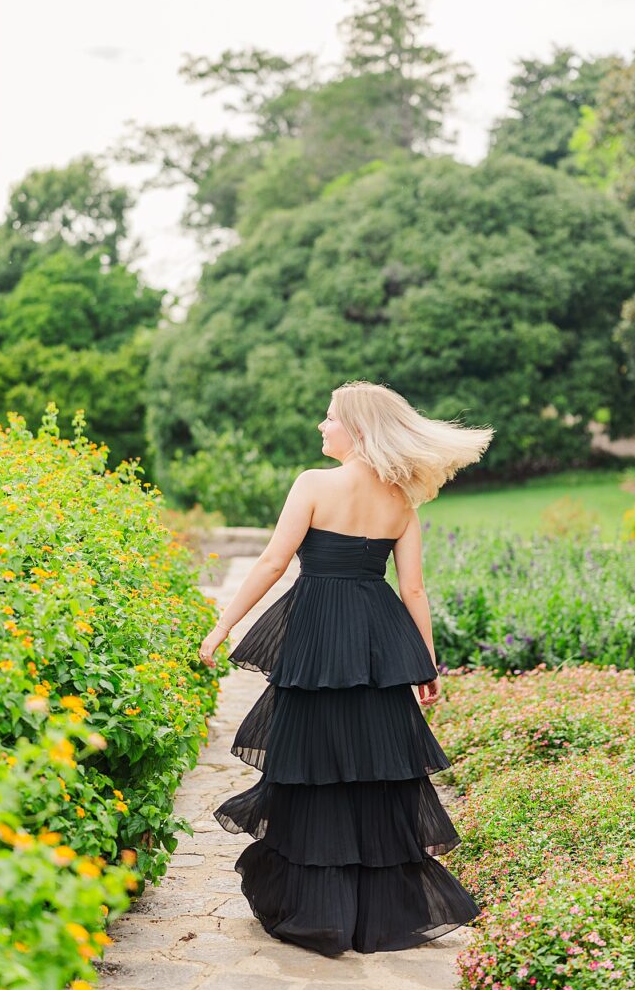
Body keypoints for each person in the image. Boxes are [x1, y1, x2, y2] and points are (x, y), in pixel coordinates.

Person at [199, 380, 494, 956]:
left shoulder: (314, 484)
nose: (321, 427)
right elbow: (412, 588)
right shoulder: (402, 501)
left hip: (316, 638)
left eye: (329, 417)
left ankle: (319, 911)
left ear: (356, 430)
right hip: (379, 642)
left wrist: (221, 626)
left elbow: (273, 561)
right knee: (374, 769)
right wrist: (423, 658)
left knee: (313, 767)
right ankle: (375, 915)